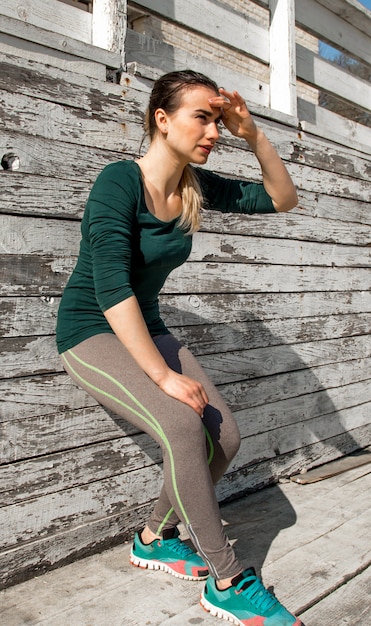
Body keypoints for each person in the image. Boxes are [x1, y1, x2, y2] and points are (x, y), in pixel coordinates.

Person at [56, 69, 303, 626]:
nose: (213, 130)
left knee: (227, 438)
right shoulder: (119, 182)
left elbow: (282, 199)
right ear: (162, 120)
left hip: (145, 326)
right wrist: (165, 378)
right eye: (203, 117)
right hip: (91, 330)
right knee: (184, 425)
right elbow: (110, 286)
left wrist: (253, 135)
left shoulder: (194, 185)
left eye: (217, 120)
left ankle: (152, 537)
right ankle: (227, 579)